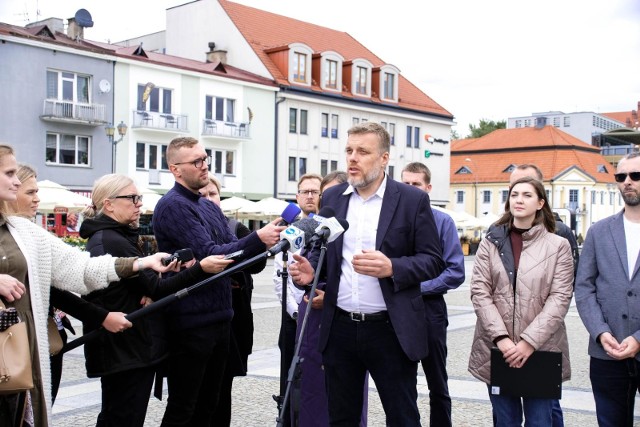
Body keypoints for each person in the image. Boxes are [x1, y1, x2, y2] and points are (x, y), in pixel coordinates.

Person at [0, 144, 174, 427]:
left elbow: (80, 267)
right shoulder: (105, 236)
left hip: (21, 348)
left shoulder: (25, 231)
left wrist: (138, 264)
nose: (17, 181)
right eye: (9, 174)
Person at [289, 122, 444, 426]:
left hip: (390, 329)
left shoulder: (412, 201)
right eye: (349, 150)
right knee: (342, 418)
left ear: (384, 158)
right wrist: (313, 273)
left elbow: (433, 261)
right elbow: (325, 250)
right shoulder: (333, 199)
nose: (352, 158)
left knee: (402, 417)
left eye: (363, 151)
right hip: (340, 328)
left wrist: (393, 267)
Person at [79, 174, 232, 427]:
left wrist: (159, 275)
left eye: (139, 197)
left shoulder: (118, 237)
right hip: (125, 348)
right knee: (121, 417)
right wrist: (199, 269)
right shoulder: (110, 240)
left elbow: (147, 285)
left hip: (132, 346)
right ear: (109, 204)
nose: (139, 203)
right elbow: (155, 289)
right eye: (132, 198)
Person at [152, 136, 284, 426]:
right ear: (175, 169)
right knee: (184, 406)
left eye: (205, 159)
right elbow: (211, 255)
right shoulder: (173, 205)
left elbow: (231, 251)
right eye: (196, 161)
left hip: (221, 318)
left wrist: (258, 244)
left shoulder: (208, 206)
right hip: (190, 321)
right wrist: (257, 238)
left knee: (211, 403)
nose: (205, 166)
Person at [4, 164, 132, 405]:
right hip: (16, 335)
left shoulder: (33, 233)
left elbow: (80, 270)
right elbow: (58, 291)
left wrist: (139, 266)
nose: (36, 199)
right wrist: (102, 316)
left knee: (40, 403)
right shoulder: (17, 238)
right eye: (30, 192)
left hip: (48, 331)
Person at [468, 176, 574, 426]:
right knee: (506, 421)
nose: (519, 199)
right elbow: (480, 292)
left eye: (527, 195)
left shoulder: (558, 245)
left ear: (540, 203)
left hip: (541, 350)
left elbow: (560, 298)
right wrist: (502, 340)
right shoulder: (491, 242)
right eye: (514, 194)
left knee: (540, 421)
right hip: (496, 348)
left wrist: (528, 342)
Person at [506, 163, 580, 426]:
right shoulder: (497, 234)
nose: (518, 196)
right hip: (504, 343)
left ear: (540, 197)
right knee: (506, 413)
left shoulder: (559, 234)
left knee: (546, 411)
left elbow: (564, 292)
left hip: (543, 341)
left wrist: (532, 336)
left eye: (526, 190)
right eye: (513, 190)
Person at [575, 152, 640, 426]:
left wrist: (638, 338)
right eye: (621, 176)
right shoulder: (599, 231)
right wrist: (600, 332)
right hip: (607, 352)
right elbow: (584, 287)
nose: (627, 182)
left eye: (635, 175)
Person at [401, 162, 465, 426]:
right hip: (398, 310)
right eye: (405, 184)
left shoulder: (443, 222)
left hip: (430, 310)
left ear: (427, 188)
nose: (410, 189)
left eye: (415, 185)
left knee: (437, 381)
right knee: (402, 384)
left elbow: (455, 271)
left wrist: (419, 287)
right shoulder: (390, 221)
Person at [200, 174, 267, 426]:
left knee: (222, 389)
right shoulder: (188, 227)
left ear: (220, 197)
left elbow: (259, 264)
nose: (208, 199)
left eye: (212, 194)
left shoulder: (233, 227)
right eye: (202, 194)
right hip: (197, 323)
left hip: (233, 320)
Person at [272, 173, 321, 426]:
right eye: (306, 191)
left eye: (315, 191)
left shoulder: (324, 230)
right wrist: (296, 311)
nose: (310, 196)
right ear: (297, 196)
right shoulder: (287, 232)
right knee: (288, 377)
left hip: (319, 319)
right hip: (292, 320)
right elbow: (277, 280)